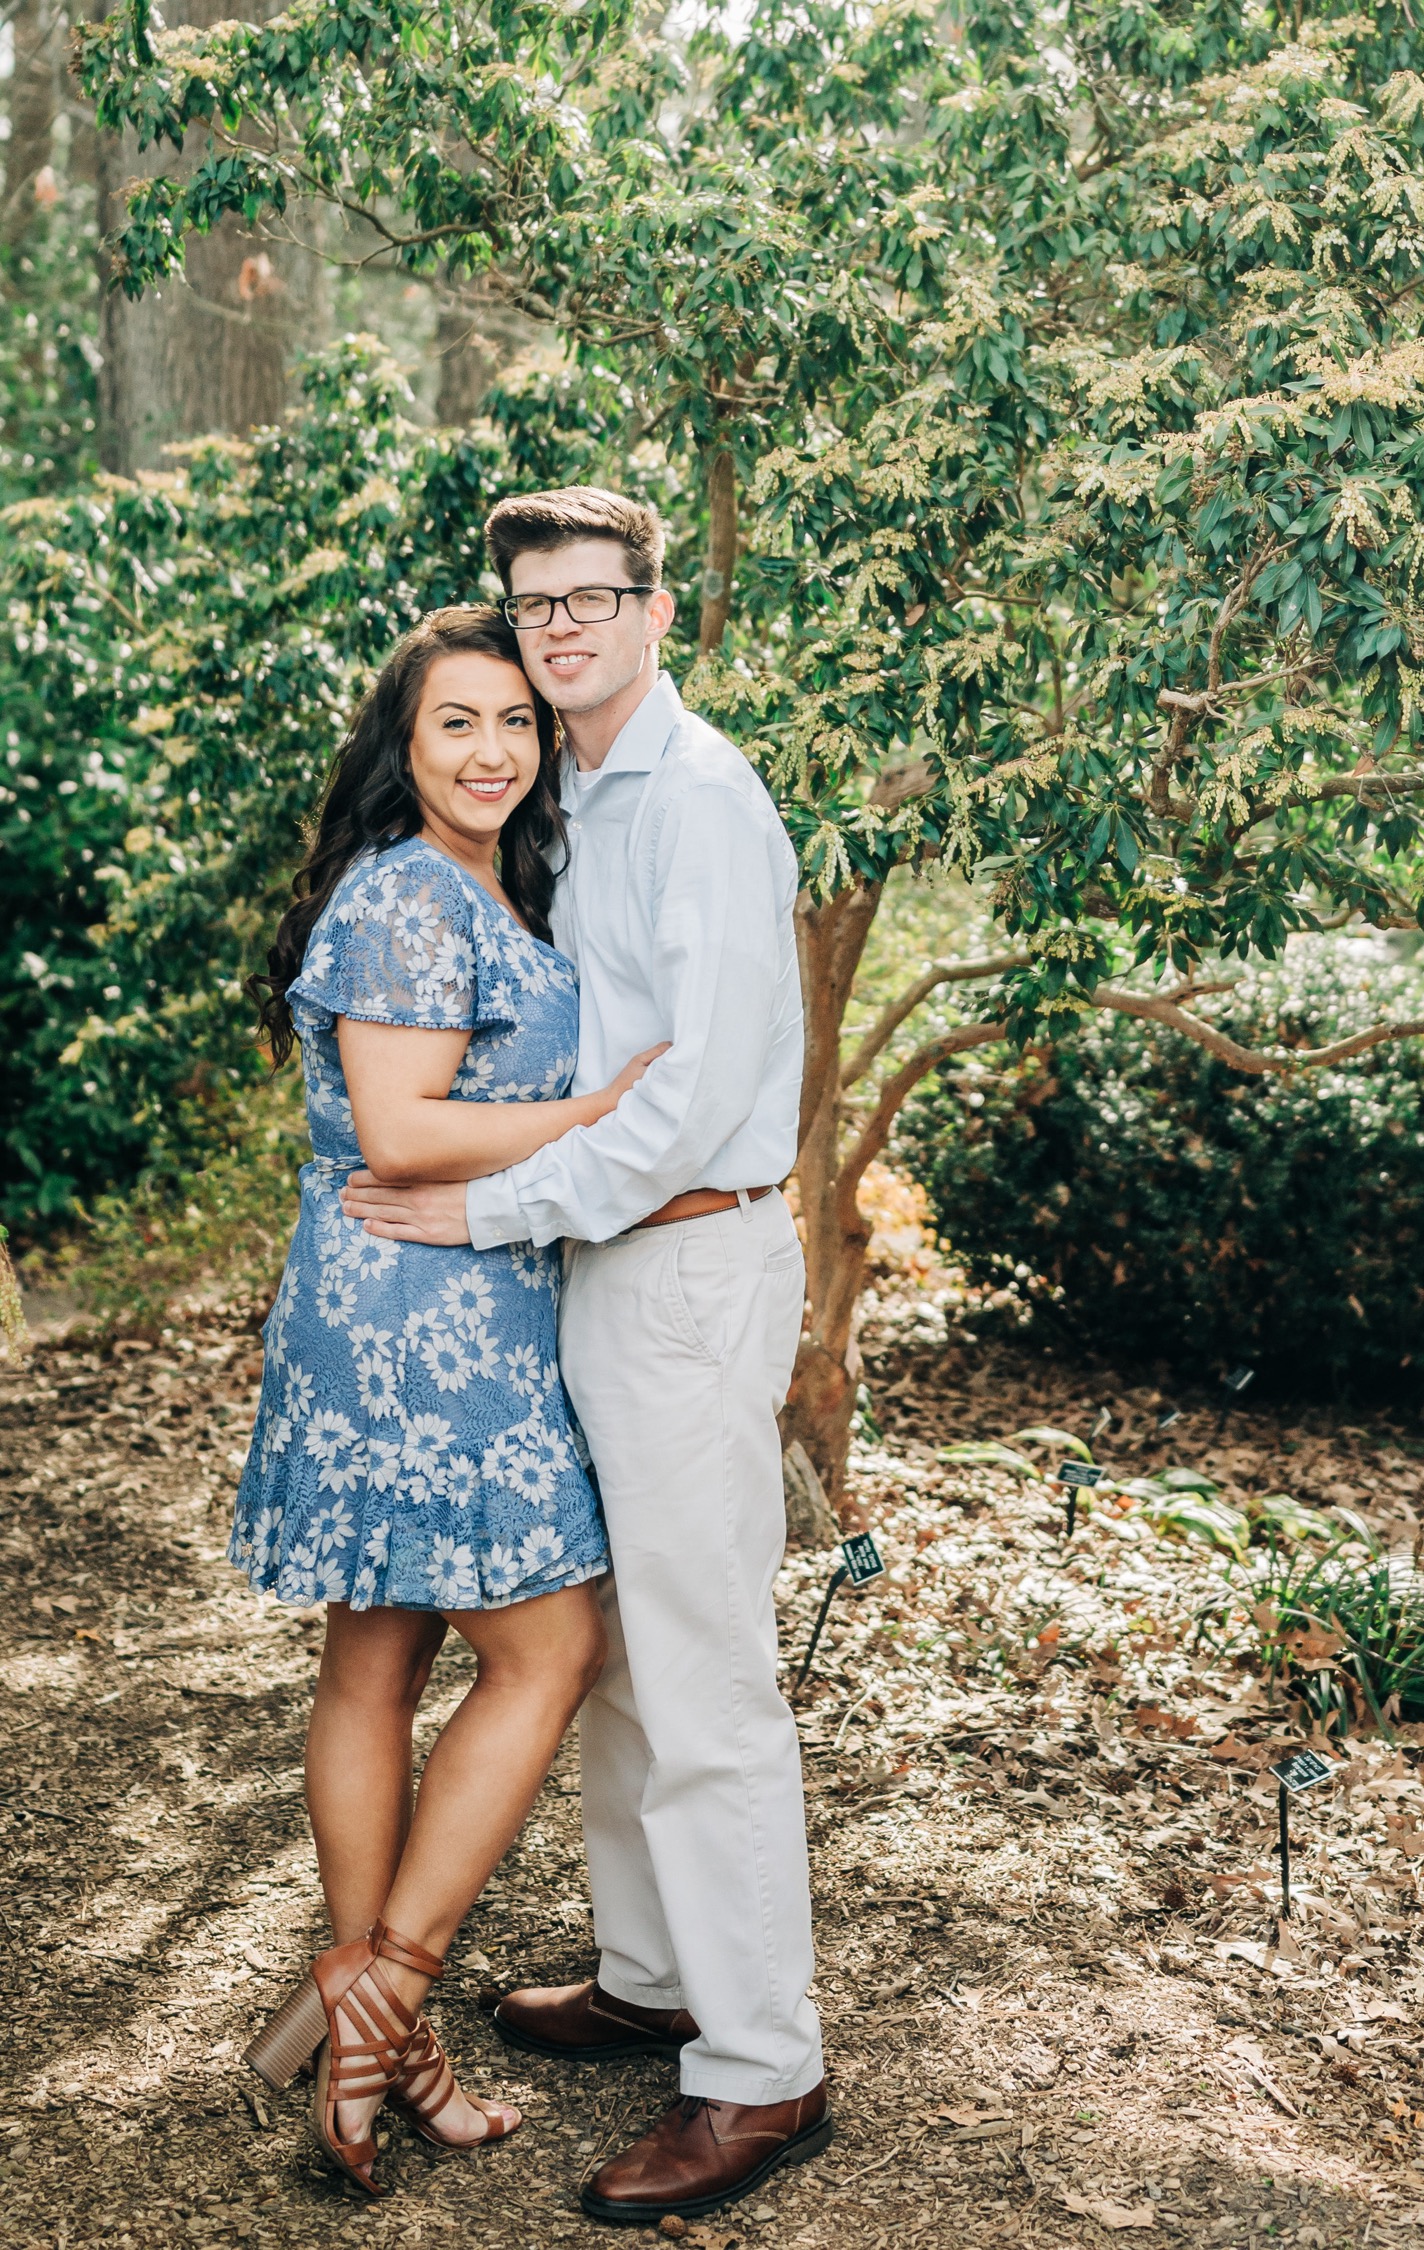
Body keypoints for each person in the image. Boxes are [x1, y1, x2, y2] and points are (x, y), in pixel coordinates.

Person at [341, 488, 831, 2225]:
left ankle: (760, 2067)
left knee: (702, 1675)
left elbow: (689, 1101)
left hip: (687, 1256)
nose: (557, 627)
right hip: (599, 1264)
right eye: (532, 602)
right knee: (617, 1650)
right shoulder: (583, 795)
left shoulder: (699, 800)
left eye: (591, 597)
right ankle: (651, 1969)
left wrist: (479, 1214)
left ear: (654, 611)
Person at [229, 605, 664, 2199]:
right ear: (400, 750)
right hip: (416, 1315)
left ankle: (368, 2034)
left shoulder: (490, 881)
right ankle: (395, 1991)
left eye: (512, 724)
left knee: (379, 1646)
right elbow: (404, 1125)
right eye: (454, 724)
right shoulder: (409, 889)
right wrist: (603, 1107)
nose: (490, 750)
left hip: (433, 1300)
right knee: (547, 1644)